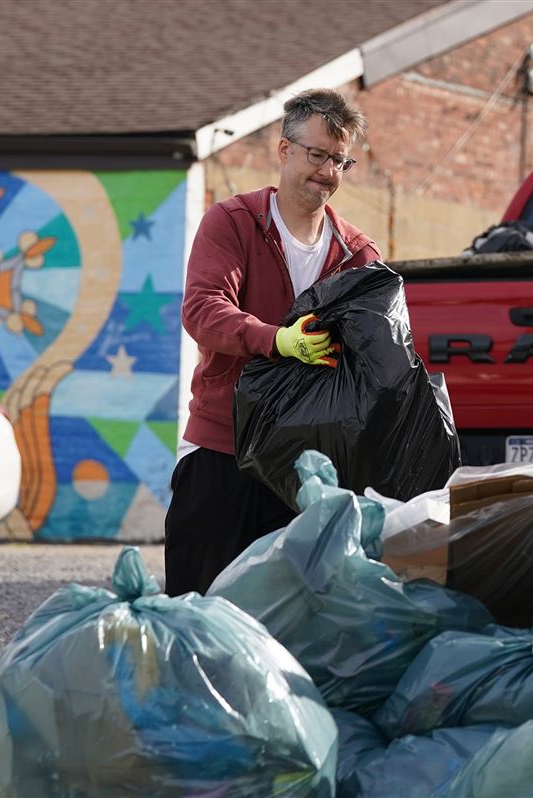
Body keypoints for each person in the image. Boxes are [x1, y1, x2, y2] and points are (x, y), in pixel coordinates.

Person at [165, 89, 381, 596]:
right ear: (284, 151)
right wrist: (276, 339)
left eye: (339, 161)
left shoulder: (356, 254)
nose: (328, 172)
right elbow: (202, 309)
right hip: (223, 449)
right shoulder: (234, 223)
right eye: (317, 154)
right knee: (199, 605)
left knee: (290, 623)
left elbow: (376, 356)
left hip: (309, 467)